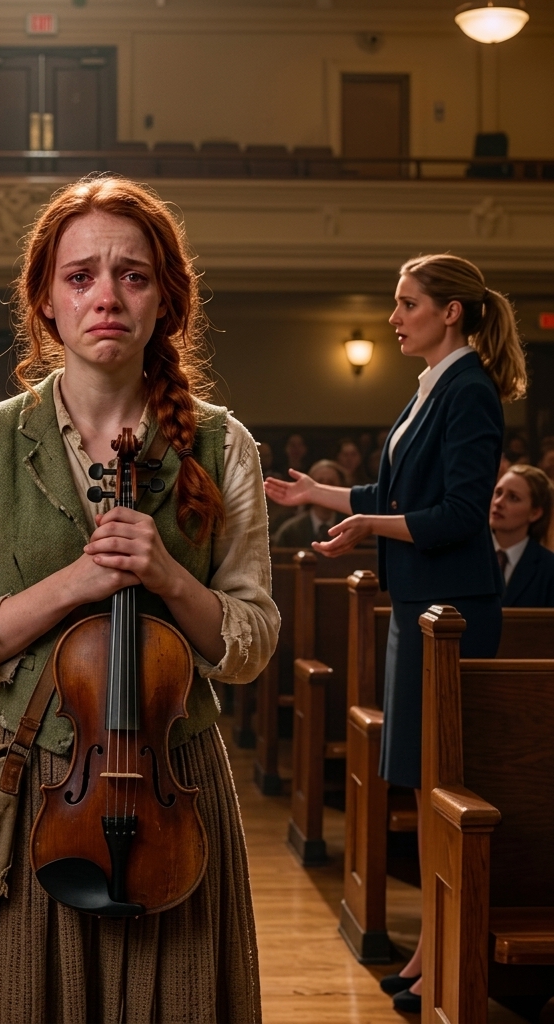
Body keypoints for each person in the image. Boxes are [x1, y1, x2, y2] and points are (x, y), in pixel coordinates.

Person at [0, 176, 277, 1022]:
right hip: (26, 778)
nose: (105, 296)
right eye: (80, 276)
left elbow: (252, 641)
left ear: (166, 300)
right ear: (46, 300)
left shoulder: (226, 448)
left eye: (133, 275)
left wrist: (169, 578)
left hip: (170, 776)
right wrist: (75, 584)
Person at [265, 253, 526, 1013]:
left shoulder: (469, 390)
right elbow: (401, 492)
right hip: (421, 605)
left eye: (406, 303)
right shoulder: (434, 387)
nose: (393, 316)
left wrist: (363, 526)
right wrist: (320, 495)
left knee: (444, 784)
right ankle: (430, 947)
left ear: (450, 312)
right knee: (421, 777)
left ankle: (447, 952)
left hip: (452, 613)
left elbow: (455, 514)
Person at [491, 464, 554, 606]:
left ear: (535, 513)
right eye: (498, 492)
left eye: (513, 498)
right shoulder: (469, 555)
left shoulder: (548, 569)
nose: (498, 502)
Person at [272, 459, 348, 547]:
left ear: (341, 487)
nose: (325, 487)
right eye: (320, 483)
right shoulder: (290, 531)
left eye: (331, 483)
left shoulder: (351, 528)